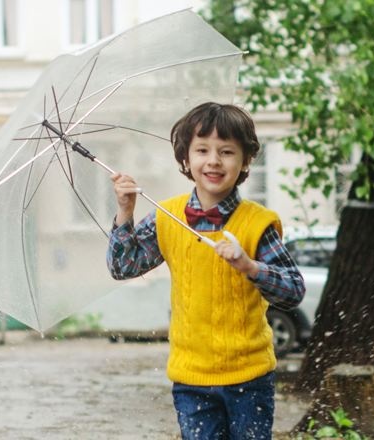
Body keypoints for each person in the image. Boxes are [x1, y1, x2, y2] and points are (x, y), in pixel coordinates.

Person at [107, 102, 305, 439]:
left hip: (249, 377)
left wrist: (249, 266)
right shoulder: (166, 216)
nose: (213, 161)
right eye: (202, 150)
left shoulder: (258, 223)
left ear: (246, 161)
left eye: (226, 151)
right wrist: (125, 213)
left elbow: (293, 290)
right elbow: (123, 266)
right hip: (191, 379)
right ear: (186, 158)